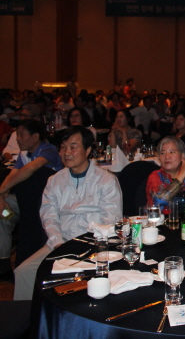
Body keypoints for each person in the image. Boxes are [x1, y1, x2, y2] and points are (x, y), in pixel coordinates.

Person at [13, 126, 122, 300]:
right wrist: (58, 243)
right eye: (63, 148)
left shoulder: (106, 180)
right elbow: (49, 216)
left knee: (78, 277)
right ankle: (30, 316)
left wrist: (87, 245)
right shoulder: (54, 180)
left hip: (94, 245)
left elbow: (111, 220)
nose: (66, 153)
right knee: (23, 272)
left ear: (87, 150)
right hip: (60, 242)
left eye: (73, 147)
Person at [0, 120, 63, 281]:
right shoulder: (23, 154)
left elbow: (31, 168)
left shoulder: (49, 150)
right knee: (3, 214)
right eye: (17, 135)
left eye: (21, 135)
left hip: (47, 207)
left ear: (35, 137)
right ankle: (4, 264)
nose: (18, 139)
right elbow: (13, 175)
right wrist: (1, 196)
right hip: (25, 205)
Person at [146, 136, 185, 211]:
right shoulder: (155, 176)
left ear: (182, 156)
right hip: (165, 218)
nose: (167, 156)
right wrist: (182, 175)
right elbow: (160, 200)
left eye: (172, 152)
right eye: (162, 153)